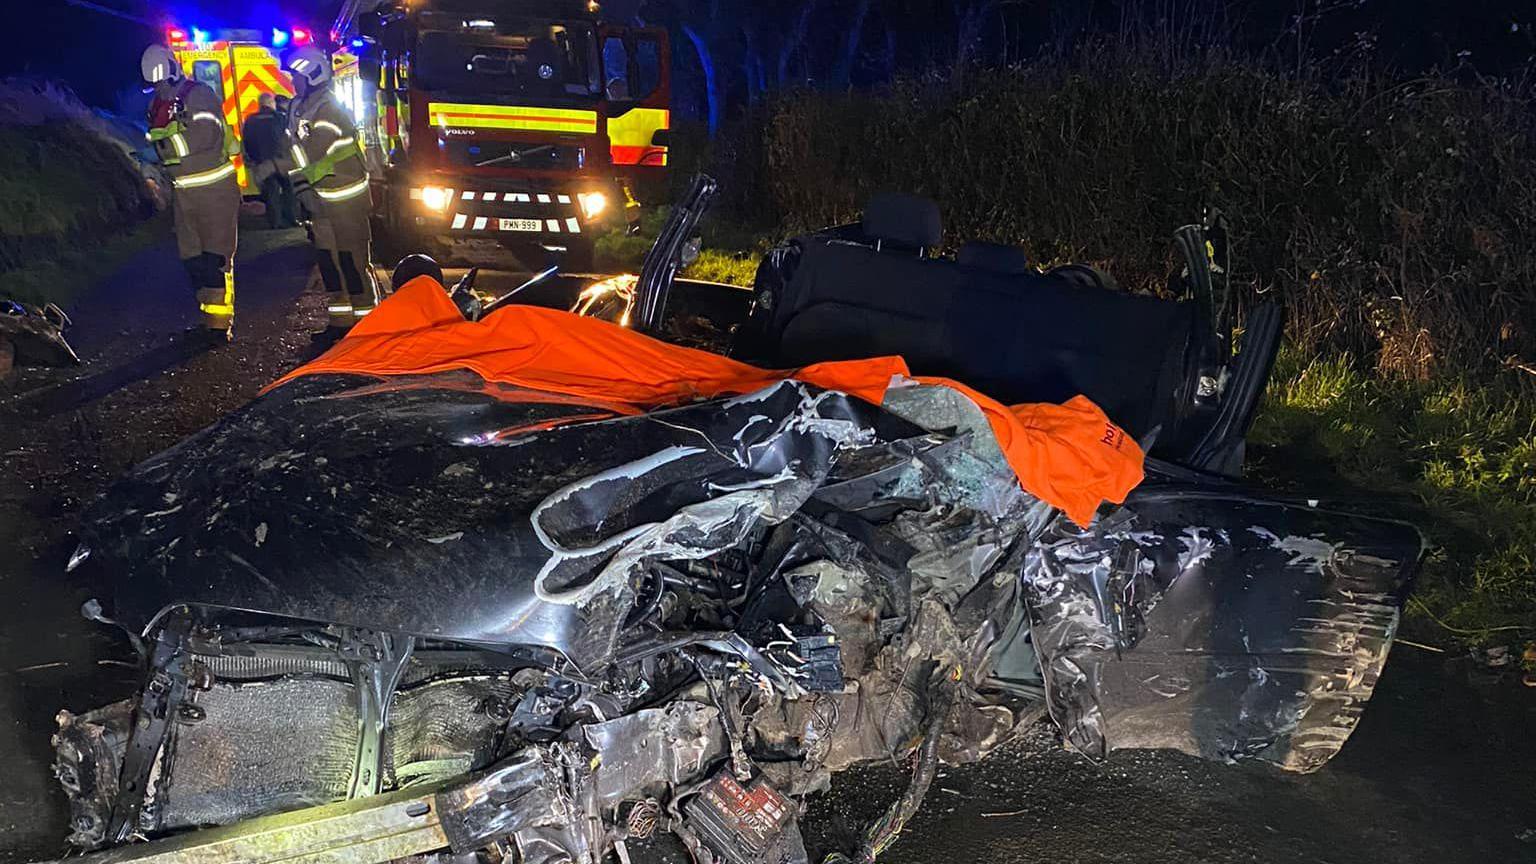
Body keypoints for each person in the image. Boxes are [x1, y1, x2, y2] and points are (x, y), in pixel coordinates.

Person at [141, 44, 239, 339]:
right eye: (153, 85)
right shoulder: (157, 104)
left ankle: (221, 327)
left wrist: (165, 149)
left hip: (214, 189)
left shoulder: (199, 95)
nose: (158, 88)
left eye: (160, 82)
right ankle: (209, 320)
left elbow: (205, 135)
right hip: (185, 194)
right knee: (193, 260)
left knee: (214, 259)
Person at [283, 45, 378, 329]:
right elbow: (294, 149)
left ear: (312, 75)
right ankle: (339, 324)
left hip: (345, 199)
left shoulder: (328, 109)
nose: (292, 81)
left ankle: (366, 328)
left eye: (296, 76)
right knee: (330, 263)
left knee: (352, 262)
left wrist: (289, 173)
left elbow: (309, 151)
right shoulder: (301, 108)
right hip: (321, 199)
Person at [241, 92, 297, 229]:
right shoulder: (280, 118)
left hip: (262, 163)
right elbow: (289, 138)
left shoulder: (250, 120)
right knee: (289, 189)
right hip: (280, 161)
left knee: (271, 192)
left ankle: (275, 222)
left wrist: (251, 159)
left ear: (259, 104)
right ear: (272, 103)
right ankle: (292, 219)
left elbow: (246, 141)